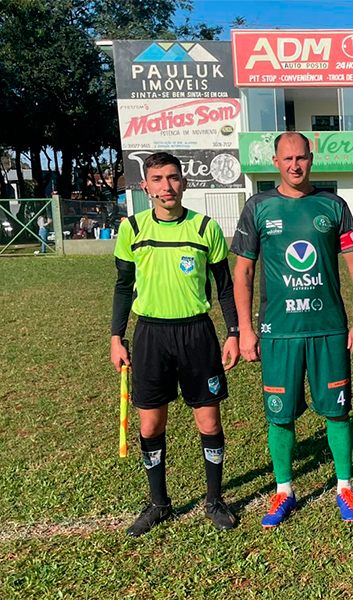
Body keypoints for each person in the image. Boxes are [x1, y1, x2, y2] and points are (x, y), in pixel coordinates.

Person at [232, 132, 353, 528]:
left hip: (328, 329)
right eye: (287, 158)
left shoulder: (333, 205)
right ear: (275, 162)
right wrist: (245, 329)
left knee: (338, 411)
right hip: (279, 332)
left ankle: (344, 486)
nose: (295, 165)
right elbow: (243, 271)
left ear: (312, 158)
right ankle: (284, 490)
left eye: (302, 157)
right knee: (280, 416)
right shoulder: (258, 207)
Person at [110, 152, 240, 537]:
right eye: (157, 179)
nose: (166, 186)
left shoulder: (205, 228)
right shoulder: (132, 228)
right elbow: (122, 287)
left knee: (209, 421)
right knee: (151, 424)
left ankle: (214, 501)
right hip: (151, 335)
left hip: (197, 334)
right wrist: (116, 337)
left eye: (172, 178)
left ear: (183, 182)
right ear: (145, 186)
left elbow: (225, 288)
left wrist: (234, 332)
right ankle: (158, 504)